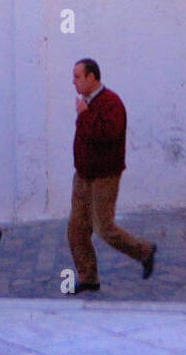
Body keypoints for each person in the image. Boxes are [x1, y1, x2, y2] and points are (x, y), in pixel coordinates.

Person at [66, 58, 156, 293]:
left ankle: (144, 251)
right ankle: (88, 278)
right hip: (83, 176)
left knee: (104, 227)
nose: (73, 82)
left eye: (77, 76)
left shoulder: (111, 103)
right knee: (77, 229)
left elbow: (107, 135)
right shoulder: (86, 103)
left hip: (104, 177)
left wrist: (85, 116)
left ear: (91, 77)